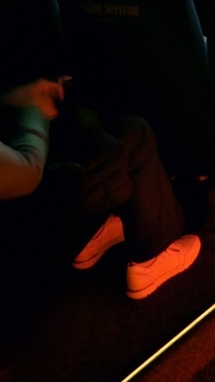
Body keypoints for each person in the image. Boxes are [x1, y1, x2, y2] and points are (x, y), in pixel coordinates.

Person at [0, 79, 200, 302]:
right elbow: (26, 174)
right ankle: (151, 258)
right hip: (23, 241)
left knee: (87, 125)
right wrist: (32, 109)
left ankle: (91, 235)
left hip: (23, 226)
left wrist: (12, 98)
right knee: (134, 133)